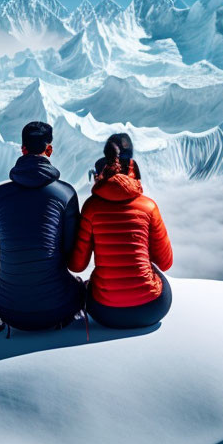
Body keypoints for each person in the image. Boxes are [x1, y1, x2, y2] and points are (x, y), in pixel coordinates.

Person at [0, 121, 84, 333]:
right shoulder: (66, 195)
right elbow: (71, 258)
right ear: (49, 149)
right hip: (58, 309)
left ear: (23, 149)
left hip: (9, 312)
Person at [69, 133, 173, 329]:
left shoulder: (92, 207)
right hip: (152, 309)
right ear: (132, 167)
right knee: (156, 274)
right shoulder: (149, 207)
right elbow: (165, 263)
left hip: (106, 313)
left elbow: (77, 265)